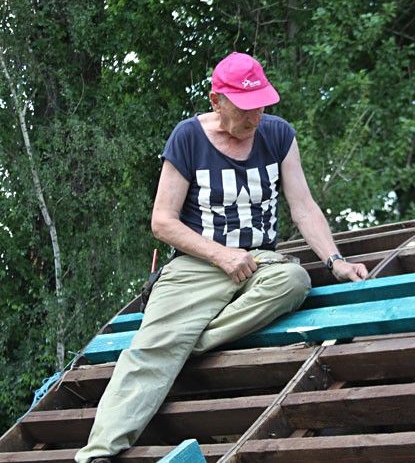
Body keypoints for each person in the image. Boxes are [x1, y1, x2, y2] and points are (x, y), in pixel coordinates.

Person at [75, 51, 368, 463]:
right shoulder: (187, 138)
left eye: (261, 105)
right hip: (198, 262)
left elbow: (303, 206)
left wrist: (336, 261)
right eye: (245, 108)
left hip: (259, 262)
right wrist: (220, 255)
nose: (255, 117)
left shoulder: (279, 135)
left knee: (294, 280)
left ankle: (185, 343)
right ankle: (99, 453)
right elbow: (162, 221)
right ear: (217, 101)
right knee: (148, 352)